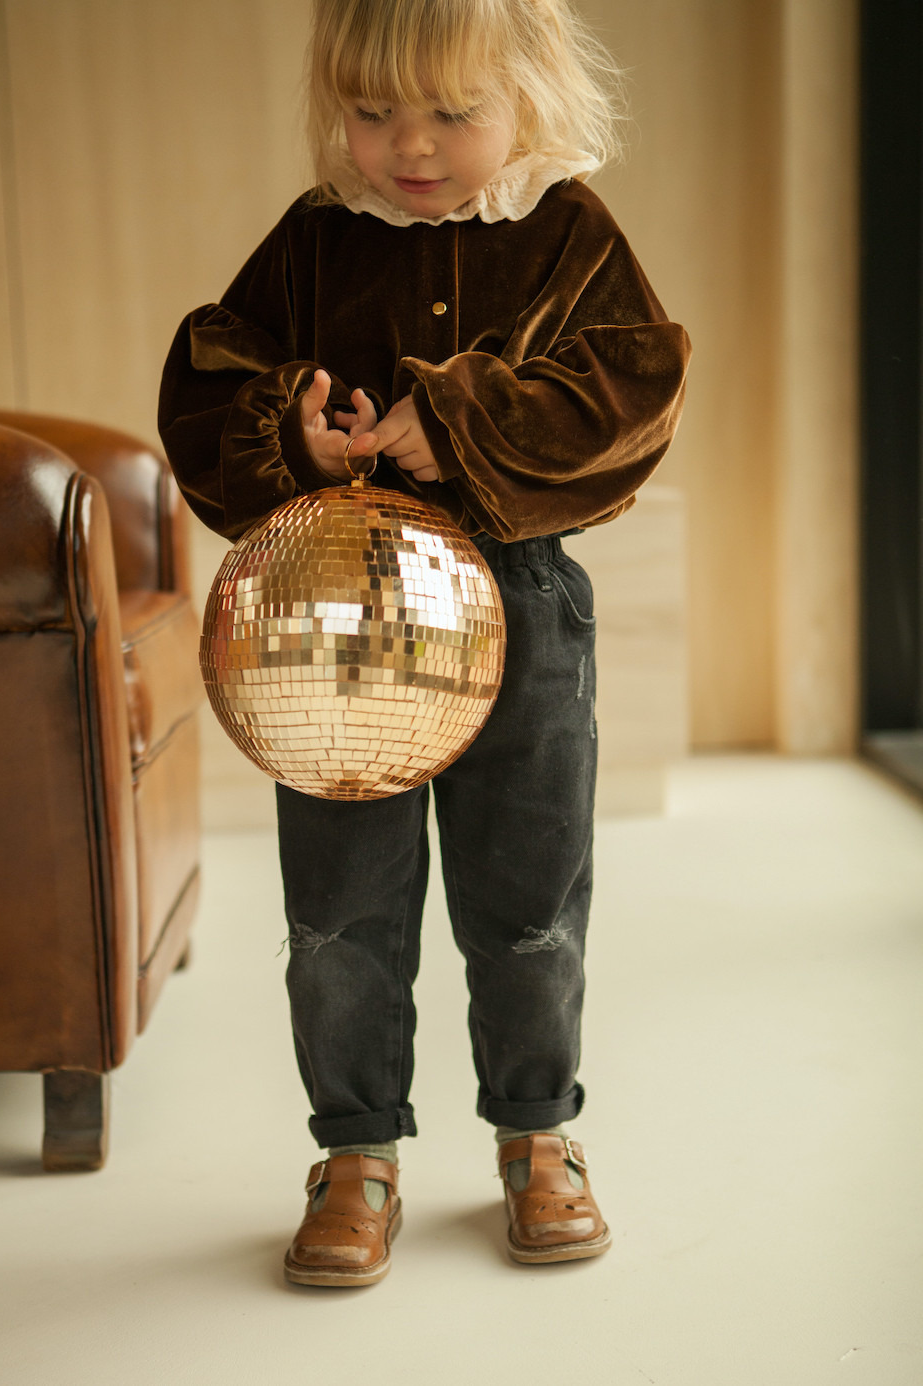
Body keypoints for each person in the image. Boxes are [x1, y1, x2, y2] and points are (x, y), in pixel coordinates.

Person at [159, 0, 690, 1288]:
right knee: (340, 905)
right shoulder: (316, 236)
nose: (410, 145)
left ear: (530, 94)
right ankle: (356, 1154)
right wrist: (297, 432)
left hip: (521, 606)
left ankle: (538, 1135)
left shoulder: (566, 229)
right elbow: (210, 377)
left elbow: (634, 390)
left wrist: (460, 421)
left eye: (454, 112)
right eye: (372, 111)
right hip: (338, 620)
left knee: (529, 891)